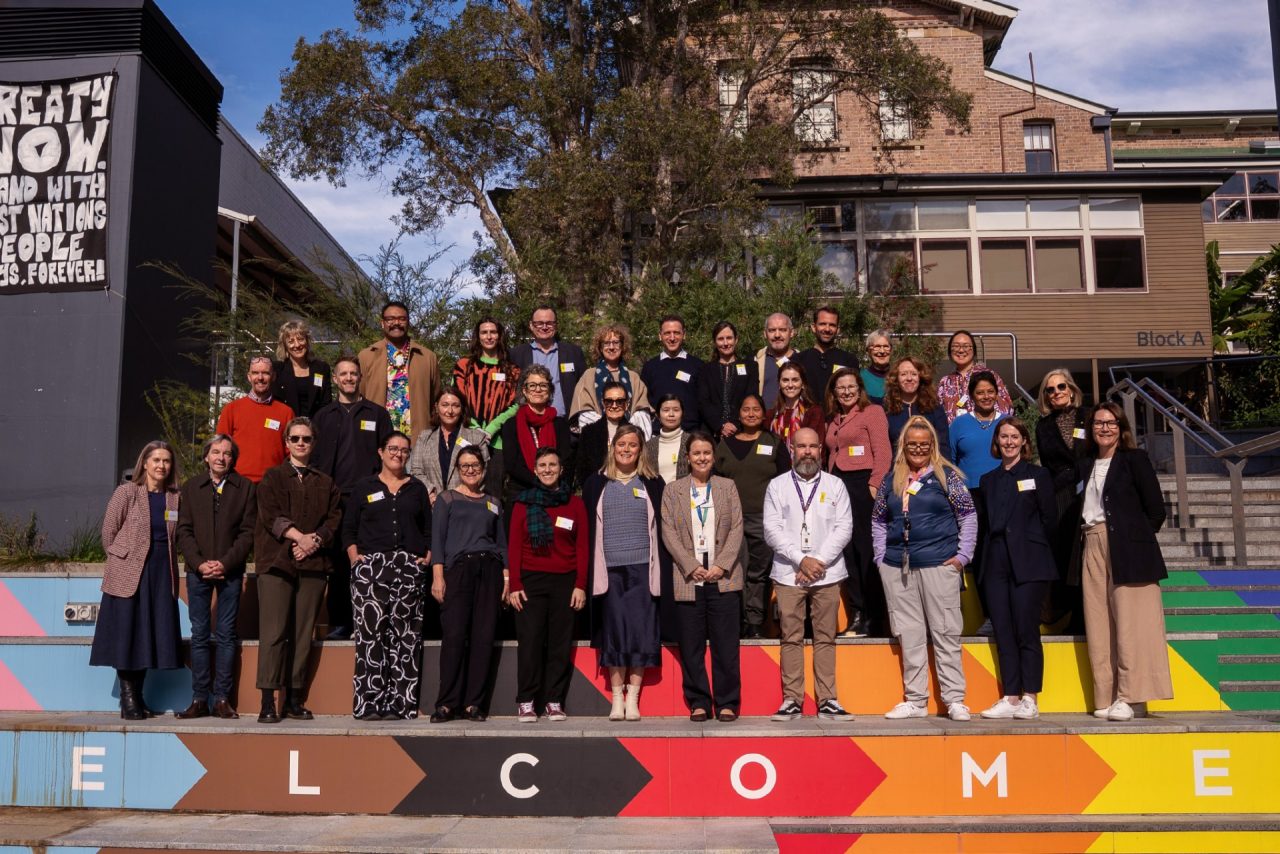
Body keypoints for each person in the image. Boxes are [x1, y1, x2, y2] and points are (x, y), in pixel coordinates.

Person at [1072, 403, 1173, 722]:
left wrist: (1134, 537)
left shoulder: (1135, 460)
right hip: (1092, 542)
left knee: (1133, 625)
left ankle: (1133, 697)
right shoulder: (1085, 463)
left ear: (1122, 426)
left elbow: (1156, 510)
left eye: (1110, 423)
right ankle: (1107, 694)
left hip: (1129, 547)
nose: (1104, 428)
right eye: (1098, 423)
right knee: (1099, 623)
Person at [872, 416, 977, 721]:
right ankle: (916, 700)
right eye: (912, 443)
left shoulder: (948, 477)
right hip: (898, 566)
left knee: (945, 632)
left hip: (938, 563)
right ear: (902, 445)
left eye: (923, 444)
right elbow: (879, 520)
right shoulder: (891, 479)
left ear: (932, 446)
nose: (917, 449)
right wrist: (881, 559)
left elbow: (968, 517)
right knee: (910, 634)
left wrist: (962, 557)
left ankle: (955, 698)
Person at [763, 427, 855, 721]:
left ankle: (828, 698)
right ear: (792, 449)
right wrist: (801, 560)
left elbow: (844, 528)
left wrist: (817, 562)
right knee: (791, 637)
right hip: (790, 574)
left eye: (813, 447)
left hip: (826, 574)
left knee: (825, 637)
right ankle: (792, 699)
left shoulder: (835, 485)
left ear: (820, 450)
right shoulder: (777, 486)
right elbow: (771, 530)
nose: (807, 452)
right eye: (801, 446)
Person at [253, 417, 342, 724]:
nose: (301, 443)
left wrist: (313, 541)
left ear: (313, 443)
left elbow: (333, 520)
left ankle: (294, 698)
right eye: (296, 438)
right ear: (286, 443)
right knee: (274, 633)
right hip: (277, 563)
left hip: (313, 565)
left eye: (306, 439)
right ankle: (268, 700)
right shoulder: (273, 477)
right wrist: (298, 537)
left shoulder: (326, 482)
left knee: (302, 635)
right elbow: (270, 515)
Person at [342, 431, 432, 720]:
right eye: (393, 448)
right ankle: (369, 702)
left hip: (408, 568)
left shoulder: (417, 488)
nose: (398, 454)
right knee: (370, 637)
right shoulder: (363, 486)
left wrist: (425, 558)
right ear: (380, 452)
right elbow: (349, 529)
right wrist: (355, 558)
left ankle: (401, 704)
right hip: (371, 569)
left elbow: (428, 530)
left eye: (404, 450)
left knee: (406, 638)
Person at [90, 441, 182, 720]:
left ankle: (139, 696)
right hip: (129, 572)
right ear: (144, 463)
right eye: (156, 460)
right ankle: (128, 697)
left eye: (166, 461)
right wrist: (124, 558)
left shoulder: (174, 498)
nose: (161, 466)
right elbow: (109, 532)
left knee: (148, 634)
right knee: (127, 632)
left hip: (160, 572)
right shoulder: (127, 492)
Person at [582, 424, 665, 721]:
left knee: (642, 633)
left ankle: (634, 697)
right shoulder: (595, 483)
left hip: (643, 568)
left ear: (640, 449)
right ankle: (616, 698)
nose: (627, 449)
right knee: (614, 634)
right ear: (612, 447)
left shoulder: (653, 483)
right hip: (609, 570)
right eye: (622, 444)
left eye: (633, 445)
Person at [661, 431, 744, 722]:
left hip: (724, 578)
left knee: (725, 646)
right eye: (696, 453)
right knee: (692, 646)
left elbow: (736, 528)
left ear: (713, 456)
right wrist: (689, 564)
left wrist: (722, 564)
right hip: (689, 578)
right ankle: (698, 700)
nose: (702, 458)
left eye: (706, 453)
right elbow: (668, 531)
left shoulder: (727, 487)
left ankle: (727, 702)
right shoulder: (672, 490)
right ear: (687, 457)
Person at [977, 418, 1057, 721]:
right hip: (996, 561)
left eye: (1015, 436)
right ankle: (1010, 696)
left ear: (1024, 441)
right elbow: (984, 523)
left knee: (1026, 629)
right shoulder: (988, 480)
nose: (1009, 441)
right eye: (1004, 436)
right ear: (997, 442)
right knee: (1004, 631)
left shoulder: (1038, 475)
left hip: (1030, 561)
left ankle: (1029, 697)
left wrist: (1035, 547)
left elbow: (1050, 519)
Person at [174, 435, 256, 720]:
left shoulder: (245, 488)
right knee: (199, 635)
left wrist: (225, 563)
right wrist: (199, 564)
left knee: (226, 635)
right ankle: (199, 699)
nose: (221, 457)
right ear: (206, 456)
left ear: (233, 459)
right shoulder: (191, 487)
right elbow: (183, 531)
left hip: (230, 571)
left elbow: (248, 532)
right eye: (216, 452)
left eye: (228, 454)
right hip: (198, 573)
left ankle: (222, 699)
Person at [311, 355, 394, 640]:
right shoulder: (322, 416)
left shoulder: (377, 414)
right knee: (337, 563)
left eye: (353, 374)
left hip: (367, 500)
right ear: (335, 379)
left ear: (360, 378)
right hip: (332, 500)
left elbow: (389, 456)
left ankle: (367, 621)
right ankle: (340, 622)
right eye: (343, 374)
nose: (348, 378)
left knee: (367, 562)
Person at [429, 446, 509, 722]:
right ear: (458, 470)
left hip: (490, 571)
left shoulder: (494, 502)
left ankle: (474, 703)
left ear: (483, 468)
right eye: (464, 466)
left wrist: (506, 579)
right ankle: (447, 703)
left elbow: (502, 545)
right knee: (453, 636)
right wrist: (438, 577)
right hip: (458, 571)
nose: (470, 470)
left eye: (475, 465)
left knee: (483, 637)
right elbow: (437, 542)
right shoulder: (447, 499)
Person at [508, 447, 588, 722]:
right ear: (535, 469)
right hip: (530, 580)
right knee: (530, 642)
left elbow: (583, 546)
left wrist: (580, 584)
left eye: (553, 464)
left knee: (559, 644)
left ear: (561, 469)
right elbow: (515, 546)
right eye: (542, 465)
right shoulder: (523, 504)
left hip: (565, 581)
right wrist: (515, 584)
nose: (548, 469)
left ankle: (554, 700)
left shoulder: (575, 504)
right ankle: (527, 700)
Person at [714, 394, 791, 639]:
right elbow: (714, 480)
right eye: (745, 409)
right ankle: (735, 622)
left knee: (758, 572)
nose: (750, 413)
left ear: (763, 413)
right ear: (739, 414)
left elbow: (786, 480)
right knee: (734, 570)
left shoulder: (774, 442)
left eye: (756, 409)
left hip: (763, 518)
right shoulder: (725, 444)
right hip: (730, 520)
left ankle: (755, 622)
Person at [824, 368, 892, 638]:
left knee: (867, 552)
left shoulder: (872, 412)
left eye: (851, 386)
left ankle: (875, 617)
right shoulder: (833, 418)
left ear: (860, 388)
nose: (846, 391)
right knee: (847, 552)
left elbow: (883, 451)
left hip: (864, 486)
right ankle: (857, 614)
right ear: (834, 392)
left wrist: (875, 484)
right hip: (838, 489)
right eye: (841, 387)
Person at [1035, 368, 1089, 630]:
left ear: (1071, 390)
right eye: (1050, 389)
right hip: (1061, 495)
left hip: (1090, 489)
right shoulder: (1042, 426)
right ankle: (1067, 614)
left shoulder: (1088, 417)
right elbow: (1046, 465)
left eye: (1061, 387)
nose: (1056, 393)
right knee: (1066, 556)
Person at [452, 317, 521, 495]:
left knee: (493, 492)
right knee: (465, 489)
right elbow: (458, 398)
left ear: (499, 336)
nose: (489, 336)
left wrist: (491, 428)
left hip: (498, 441)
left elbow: (515, 404)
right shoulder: (463, 366)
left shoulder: (512, 370)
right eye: (484, 332)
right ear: (478, 336)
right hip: (468, 435)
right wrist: (475, 427)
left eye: (493, 332)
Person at [358, 300, 442, 439]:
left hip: (418, 436)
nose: (396, 323)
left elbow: (436, 396)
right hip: (378, 435)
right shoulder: (366, 356)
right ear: (382, 323)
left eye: (401, 319)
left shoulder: (428, 357)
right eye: (390, 319)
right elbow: (360, 395)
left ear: (408, 322)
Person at [214, 356, 294, 483]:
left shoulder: (286, 412)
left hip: (272, 485)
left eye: (265, 373)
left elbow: (291, 453)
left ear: (273, 376)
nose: (260, 378)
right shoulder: (231, 409)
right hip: (237, 484)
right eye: (255, 373)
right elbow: (219, 450)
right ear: (249, 376)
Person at [502, 366, 575, 500]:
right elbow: (511, 464)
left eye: (543, 385)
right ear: (524, 390)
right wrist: (539, 481)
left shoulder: (560, 424)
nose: (538, 389)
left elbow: (566, 459)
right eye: (532, 385)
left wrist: (551, 481)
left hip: (555, 490)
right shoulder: (511, 425)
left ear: (550, 390)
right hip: (521, 492)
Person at [408, 386, 490, 503]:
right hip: (433, 504)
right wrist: (431, 494)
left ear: (462, 409)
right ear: (437, 407)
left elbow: (483, 471)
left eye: (455, 406)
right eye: (445, 405)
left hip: (466, 504)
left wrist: (461, 496)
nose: (450, 411)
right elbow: (416, 471)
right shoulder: (424, 438)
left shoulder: (476, 438)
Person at [570, 323, 652, 435]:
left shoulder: (633, 377)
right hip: (598, 438)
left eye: (616, 343)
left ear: (623, 346)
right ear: (600, 347)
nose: (612, 347)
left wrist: (625, 432)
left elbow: (641, 413)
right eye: (607, 343)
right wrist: (608, 430)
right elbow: (584, 412)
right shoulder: (588, 376)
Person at [510, 304, 587, 418]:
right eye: (539, 323)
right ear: (531, 325)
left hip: (565, 423)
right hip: (528, 423)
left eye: (549, 323)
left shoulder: (573, 353)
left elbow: (583, 388)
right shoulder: (516, 354)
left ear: (556, 325)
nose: (544, 327)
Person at [576, 380, 648, 487]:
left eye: (619, 401)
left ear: (627, 404)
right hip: (596, 489)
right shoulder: (589, 432)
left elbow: (642, 464)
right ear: (603, 403)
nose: (614, 406)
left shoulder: (636, 432)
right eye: (609, 401)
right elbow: (582, 469)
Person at [640, 314, 704, 432]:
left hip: (690, 434)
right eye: (667, 333)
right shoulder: (650, 367)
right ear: (660, 336)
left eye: (677, 333)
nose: (672, 337)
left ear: (684, 335)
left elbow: (704, 402)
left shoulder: (698, 366)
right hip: (658, 434)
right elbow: (644, 402)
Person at [697, 321, 759, 440]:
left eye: (729, 338)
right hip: (712, 433)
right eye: (721, 339)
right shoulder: (705, 370)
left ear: (736, 340)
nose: (725, 343)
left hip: (742, 430)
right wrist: (721, 425)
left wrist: (735, 423)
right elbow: (703, 402)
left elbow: (751, 396)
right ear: (715, 342)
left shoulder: (750, 367)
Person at [936, 330, 1013, 423]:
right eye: (956, 346)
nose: (961, 350)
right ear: (950, 350)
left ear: (974, 350)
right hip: (954, 435)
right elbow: (937, 414)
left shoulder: (989, 375)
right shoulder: (945, 381)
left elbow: (1006, 409)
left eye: (966, 346)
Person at [883, 356, 950, 460]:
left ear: (921, 377)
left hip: (930, 470)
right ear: (896, 379)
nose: (909, 378)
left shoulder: (934, 407)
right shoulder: (887, 409)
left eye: (914, 374)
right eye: (903, 374)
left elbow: (943, 445)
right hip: (898, 470)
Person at [949, 371, 1006, 488]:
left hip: (1004, 491)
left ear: (996, 393)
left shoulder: (1008, 422)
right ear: (971, 396)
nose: (986, 397)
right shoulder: (958, 424)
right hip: (970, 494)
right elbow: (950, 461)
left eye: (990, 391)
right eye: (980, 393)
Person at [793, 305, 860, 405]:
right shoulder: (798, 360)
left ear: (838, 329)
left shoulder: (849, 361)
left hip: (838, 418)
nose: (827, 329)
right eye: (822, 324)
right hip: (807, 418)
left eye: (832, 325)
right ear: (813, 327)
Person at [271, 319, 332, 419]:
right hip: (287, 425)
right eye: (291, 341)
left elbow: (326, 403)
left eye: (300, 339)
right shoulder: (277, 369)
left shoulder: (321, 368)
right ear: (285, 346)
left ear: (307, 341)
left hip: (314, 427)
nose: (297, 345)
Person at [766, 362, 825, 456]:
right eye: (785, 380)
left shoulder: (814, 412)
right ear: (779, 384)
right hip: (776, 468)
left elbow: (818, 449)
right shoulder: (771, 415)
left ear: (803, 384)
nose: (790, 385)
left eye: (795, 380)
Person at [644, 394, 692, 483]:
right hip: (658, 496)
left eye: (676, 410)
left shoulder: (692, 442)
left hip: (685, 495)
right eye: (666, 410)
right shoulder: (649, 446)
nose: (671, 414)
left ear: (682, 414)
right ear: (658, 415)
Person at [754, 312, 797, 410]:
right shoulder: (755, 361)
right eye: (772, 330)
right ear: (765, 334)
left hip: (795, 422)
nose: (777, 335)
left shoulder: (802, 361)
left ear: (792, 332)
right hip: (763, 423)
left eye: (782, 330)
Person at [859, 330, 893, 406]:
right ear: (868, 351)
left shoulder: (899, 375)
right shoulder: (860, 377)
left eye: (886, 346)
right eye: (877, 347)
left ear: (891, 350)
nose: (882, 351)